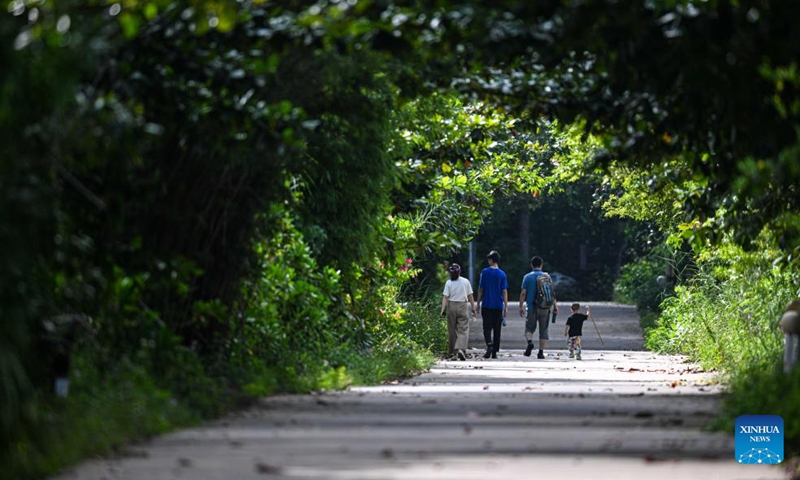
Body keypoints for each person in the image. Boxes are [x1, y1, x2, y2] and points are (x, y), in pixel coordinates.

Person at [519, 256, 559, 359]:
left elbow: (523, 293)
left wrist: (521, 306)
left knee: (529, 328)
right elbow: (552, 293)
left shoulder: (527, 277)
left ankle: (530, 342)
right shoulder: (547, 276)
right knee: (544, 330)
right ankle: (541, 352)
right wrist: (555, 306)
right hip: (545, 307)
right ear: (541, 265)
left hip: (531, 307)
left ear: (531, 265)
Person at [440, 263, 476, 361]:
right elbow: (470, 296)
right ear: (459, 271)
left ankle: (452, 353)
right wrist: (473, 308)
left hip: (451, 306)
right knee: (463, 329)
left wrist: (442, 310)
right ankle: (461, 349)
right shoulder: (465, 281)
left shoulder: (449, 283)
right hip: (463, 306)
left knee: (452, 330)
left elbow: (445, 297)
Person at [476, 251, 508, 359]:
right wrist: (506, 306)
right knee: (497, 329)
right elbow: (504, 291)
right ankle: (494, 352)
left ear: (491, 260)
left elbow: (481, 289)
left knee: (487, 327)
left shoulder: (484, 272)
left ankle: (489, 345)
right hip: (498, 305)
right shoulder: (502, 274)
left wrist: (478, 303)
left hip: (487, 304)